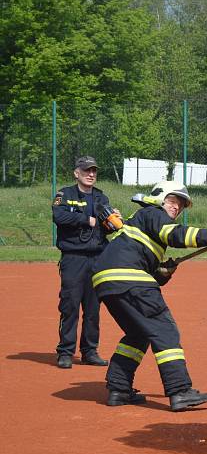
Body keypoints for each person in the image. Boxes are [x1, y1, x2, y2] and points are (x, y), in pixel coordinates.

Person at [91, 181, 207, 410]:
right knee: (164, 330)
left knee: (138, 334)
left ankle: (119, 389)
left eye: (181, 205)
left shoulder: (141, 222)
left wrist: (161, 272)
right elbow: (175, 235)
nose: (177, 207)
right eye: (173, 201)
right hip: (128, 279)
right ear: (159, 198)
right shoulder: (153, 213)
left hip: (107, 282)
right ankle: (179, 391)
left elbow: (142, 266)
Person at [52, 156, 120, 369]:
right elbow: (58, 216)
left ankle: (90, 351)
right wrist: (86, 220)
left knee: (93, 308)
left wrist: (114, 220)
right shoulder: (65, 194)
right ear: (76, 173)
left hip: (98, 258)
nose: (91, 174)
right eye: (86, 170)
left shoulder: (101, 197)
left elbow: (109, 227)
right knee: (70, 305)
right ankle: (65, 352)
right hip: (74, 259)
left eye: (93, 171)